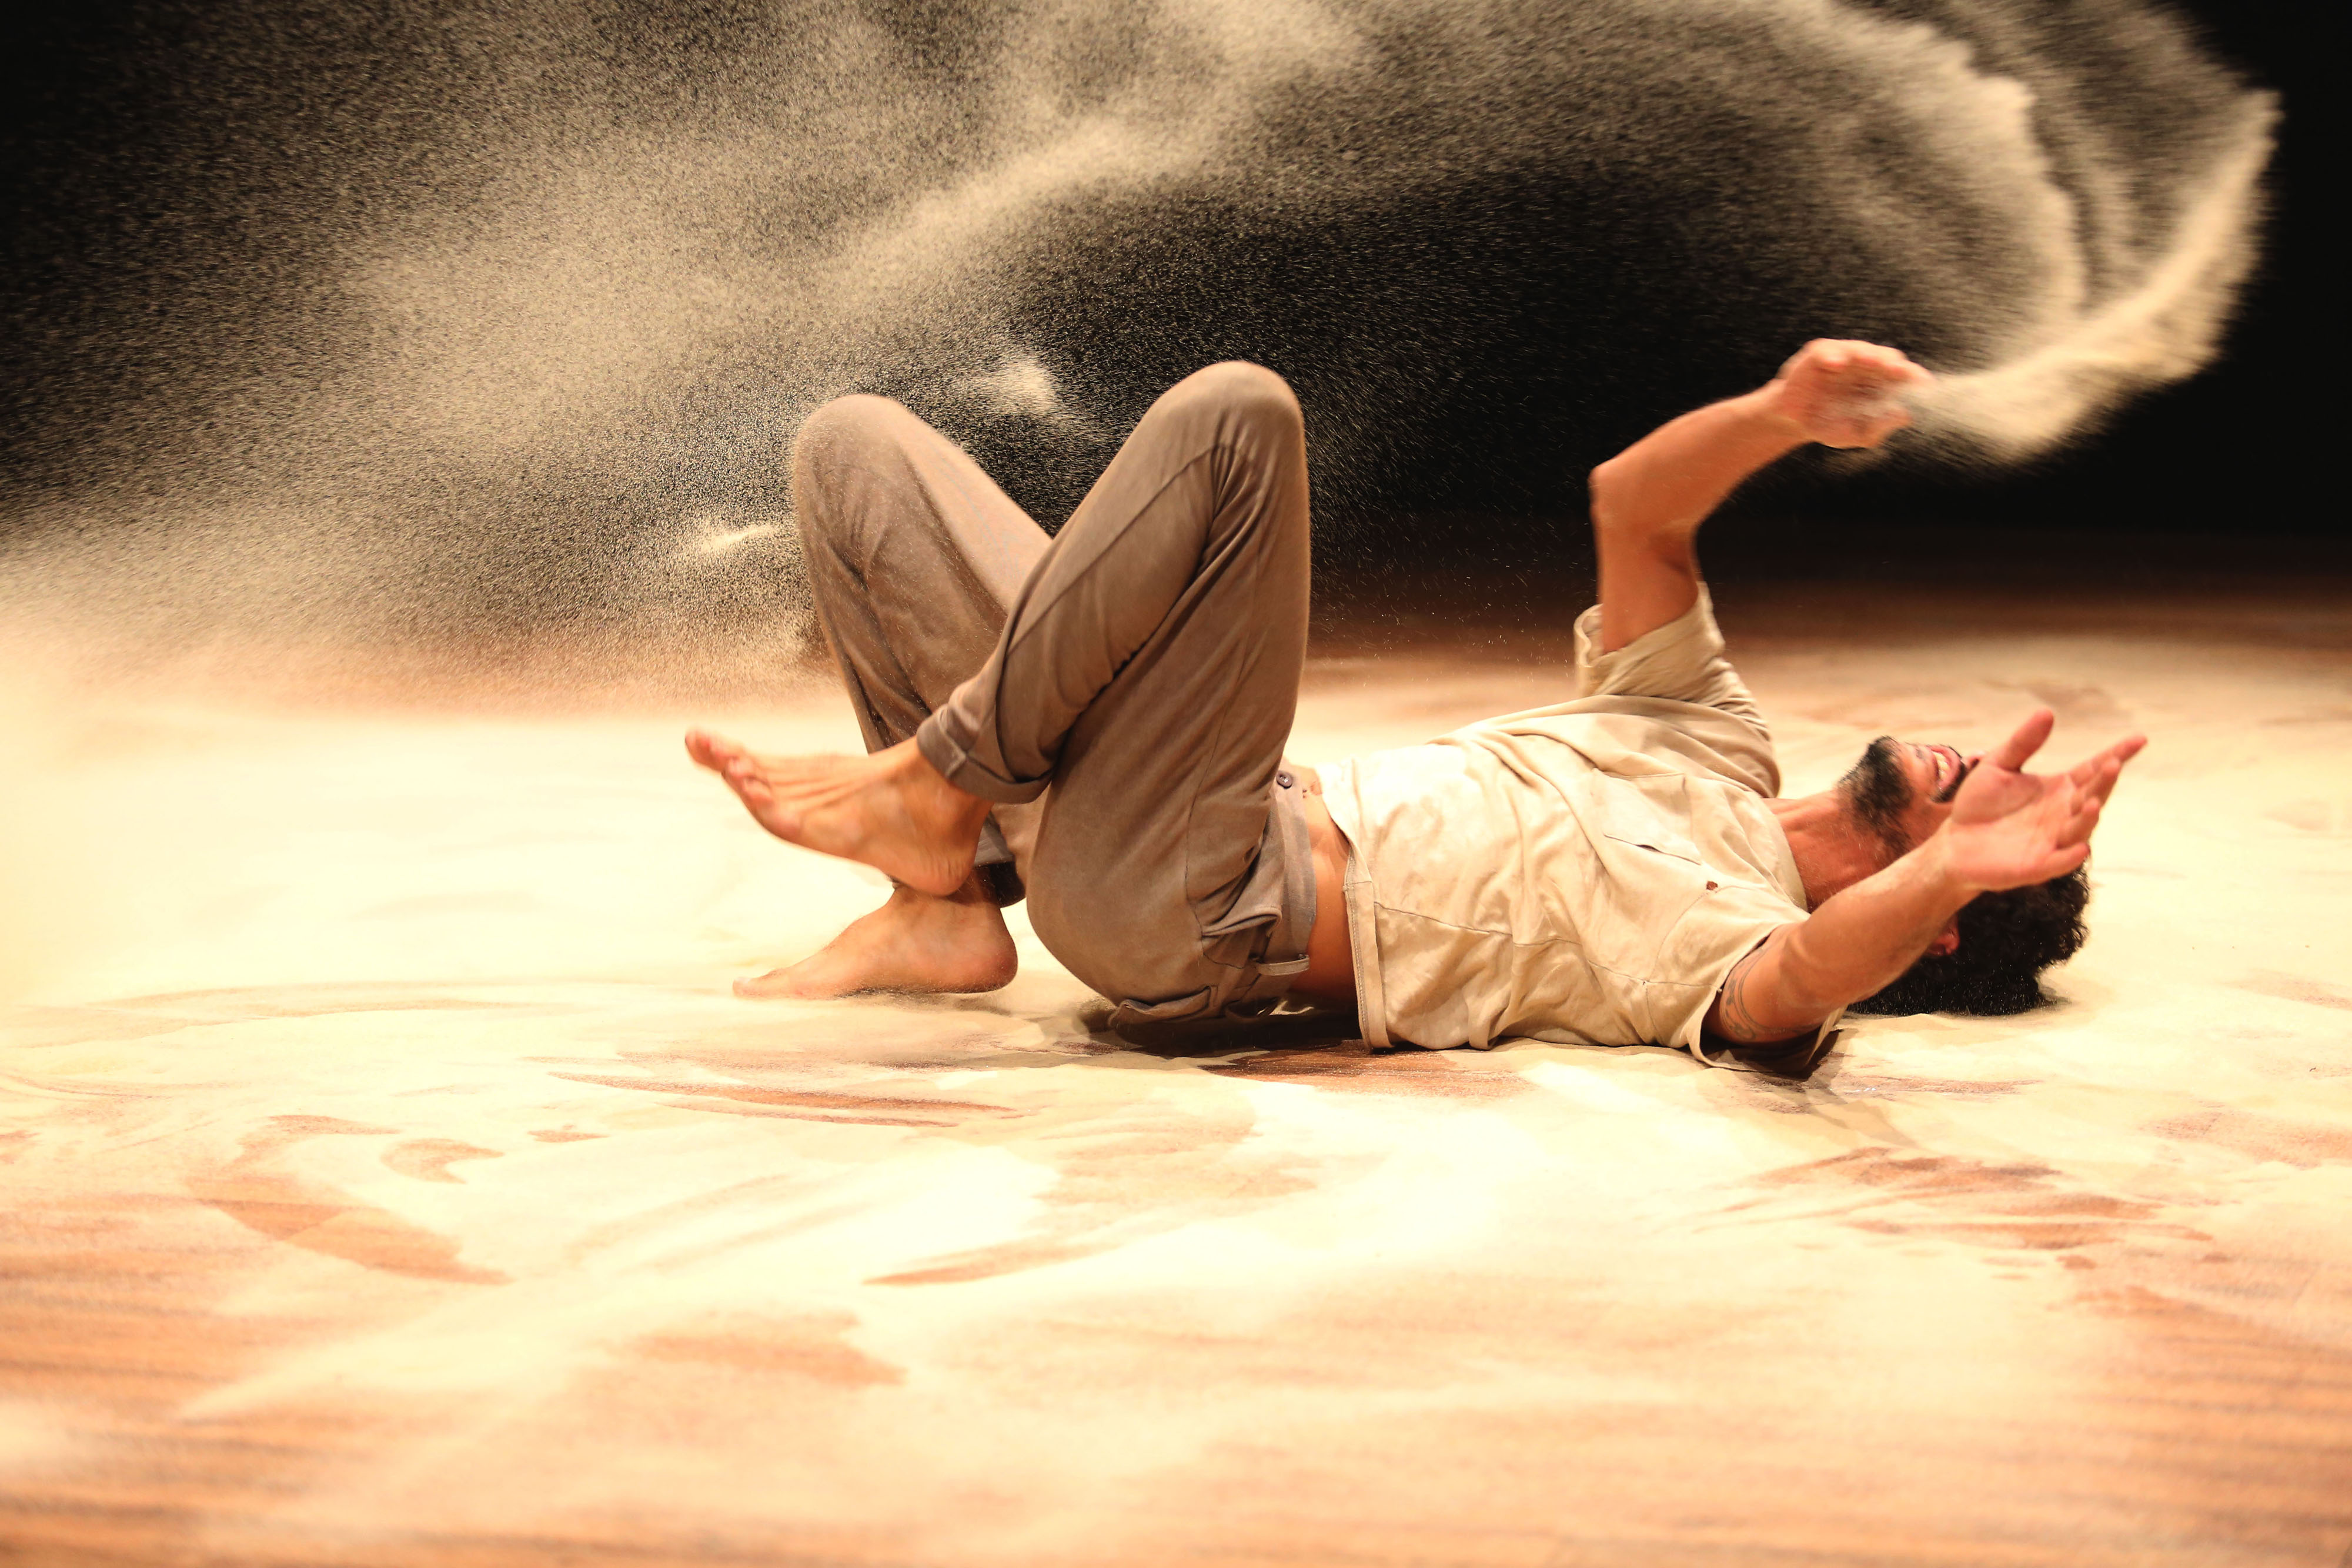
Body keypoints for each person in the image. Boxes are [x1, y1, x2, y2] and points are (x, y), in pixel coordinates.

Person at [686, 340, 2143, 1066]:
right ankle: (948, 891)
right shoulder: (1710, 736)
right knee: (853, 453)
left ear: (1945, 920)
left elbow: (1800, 986)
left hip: (1197, 910)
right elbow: (1634, 506)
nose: (1988, 759)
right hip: (1193, 806)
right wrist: (1775, 416)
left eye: (2003, 803)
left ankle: (938, 784)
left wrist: (1947, 863)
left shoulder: (1743, 935)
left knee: (1238, 419)